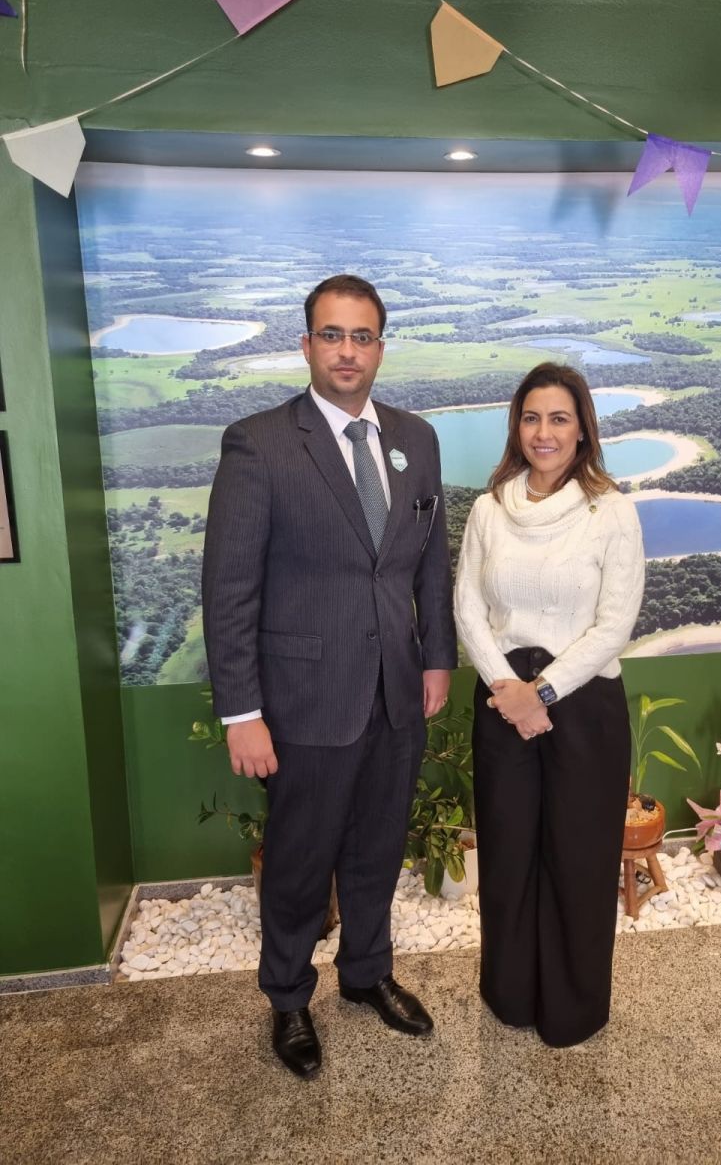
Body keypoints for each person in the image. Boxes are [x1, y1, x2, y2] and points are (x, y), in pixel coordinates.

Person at [202, 274, 457, 1079]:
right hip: (305, 701)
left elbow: (431, 565)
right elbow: (229, 589)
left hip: (396, 691)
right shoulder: (259, 445)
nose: (348, 351)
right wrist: (241, 712)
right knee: (300, 859)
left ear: (381, 347)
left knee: (379, 845)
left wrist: (438, 657)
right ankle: (287, 997)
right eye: (333, 335)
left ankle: (366, 973)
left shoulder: (416, 439)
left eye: (363, 336)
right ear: (307, 344)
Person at [454, 361, 645, 1049]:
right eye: (532, 418)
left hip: (584, 707)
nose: (544, 432)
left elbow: (614, 624)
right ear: (517, 427)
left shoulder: (610, 511)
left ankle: (572, 1008)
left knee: (579, 858)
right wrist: (509, 690)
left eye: (559, 418)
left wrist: (542, 693)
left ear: (582, 430)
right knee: (508, 854)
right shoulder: (490, 509)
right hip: (502, 700)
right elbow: (467, 608)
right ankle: (509, 994)